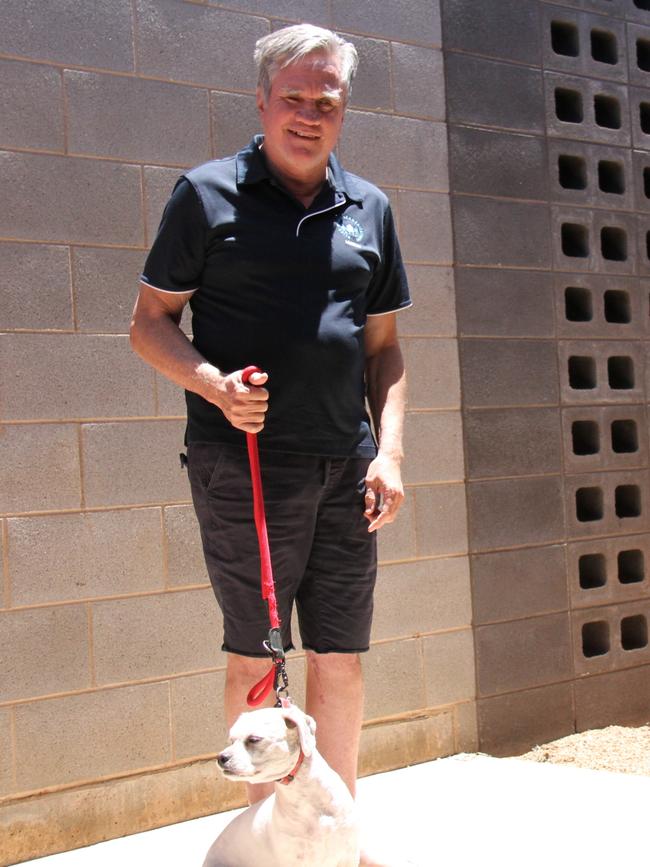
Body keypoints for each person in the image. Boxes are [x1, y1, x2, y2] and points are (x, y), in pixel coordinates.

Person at [131, 22, 410, 861]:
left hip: (348, 468)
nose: (309, 113)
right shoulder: (207, 195)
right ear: (261, 99)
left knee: (341, 662)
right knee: (258, 660)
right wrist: (213, 384)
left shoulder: (370, 209)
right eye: (293, 97)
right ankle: (265, 844)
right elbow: (149, 324)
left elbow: (385, 348)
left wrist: (389, 451)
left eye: (327, 101)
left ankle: (333, 837)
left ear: (343, 110)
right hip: (246, 465)